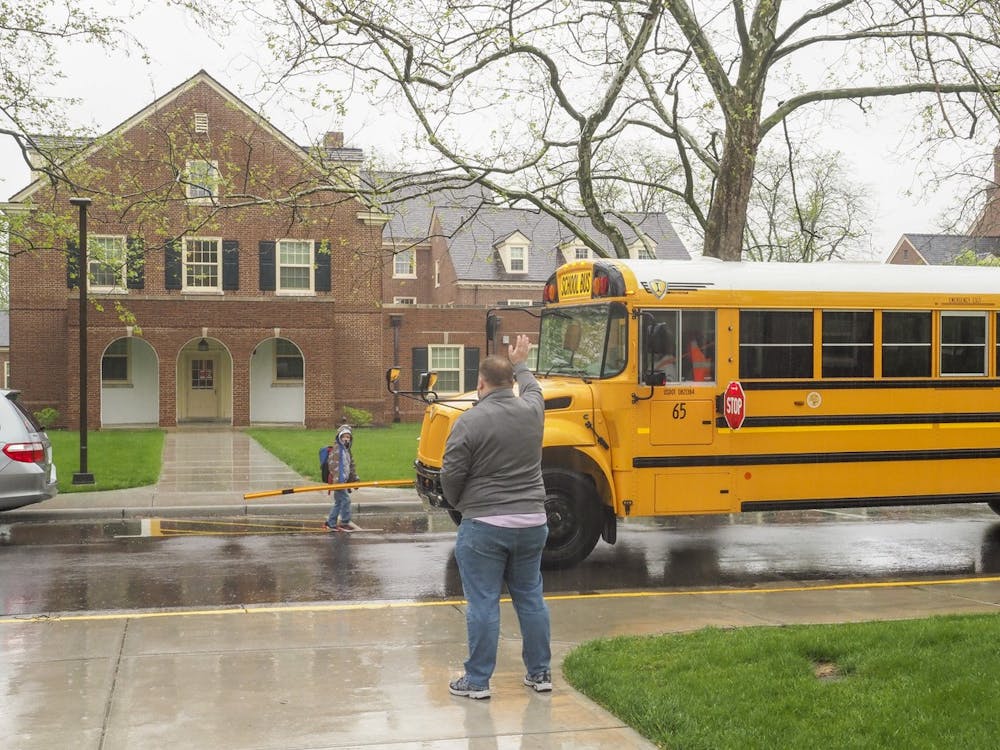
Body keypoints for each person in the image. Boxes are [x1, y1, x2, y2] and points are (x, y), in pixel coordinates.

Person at [441, 334, 552, 700]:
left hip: (485, 524)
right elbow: (533, 387)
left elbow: (451, 475)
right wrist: (520, 360)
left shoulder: (469, 422)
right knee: (530, 598)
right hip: (533, 522)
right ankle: (539, 674)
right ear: (512, 383)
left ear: (481, 383)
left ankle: (477, 681)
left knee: (484, 601)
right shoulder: (533, 410)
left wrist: (462, 506)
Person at [324, 424, 359, 531]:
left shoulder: (347, 450)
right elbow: (333, 466)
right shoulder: (337, 449)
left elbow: (351, 466)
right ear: (339, 437)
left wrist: (355, 479)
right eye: (344, 436)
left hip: (343, 481)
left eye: (348, 437)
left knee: (339, 502)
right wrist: (339, 481)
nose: (346, 439)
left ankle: (331, 522)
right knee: (346, 500)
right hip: (338, 481)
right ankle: (344, 522)